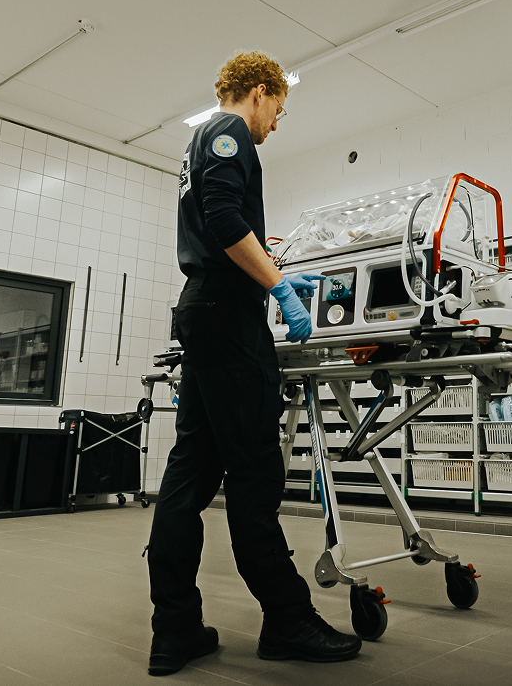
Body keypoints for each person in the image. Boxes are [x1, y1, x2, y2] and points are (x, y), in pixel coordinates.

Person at [146, 51, 362, 676]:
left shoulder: (198, 141)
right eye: (280, 111)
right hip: (227, 318)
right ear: (262, 92)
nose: (276, 124)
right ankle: (289, 621)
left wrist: (278, 267)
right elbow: (223, 220)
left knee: (189, 478)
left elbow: (226, 225)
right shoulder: (229, 130)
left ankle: (175, 630)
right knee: (254, 476)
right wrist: (280, 289)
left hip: (205, 312)